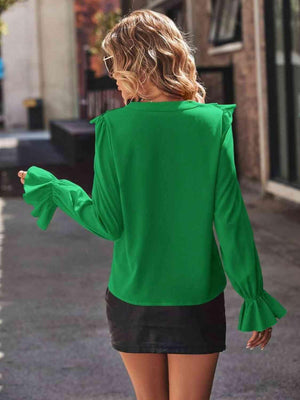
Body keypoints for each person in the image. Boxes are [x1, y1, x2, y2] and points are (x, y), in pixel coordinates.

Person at [18, 9, 287, 400]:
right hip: (196, 299)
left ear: (137, 64)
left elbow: (107, 224)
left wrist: (58, 189)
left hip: (132, 299)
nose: (111, 74)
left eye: (114, 63)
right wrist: (253, 294)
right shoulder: (213, 124)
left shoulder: (114, 128)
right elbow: (230, 221)